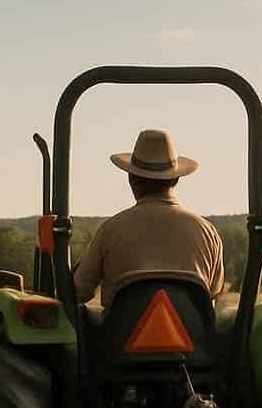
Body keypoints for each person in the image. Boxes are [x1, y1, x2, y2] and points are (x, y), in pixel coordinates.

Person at [72, 129, 226, 307]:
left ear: (131, 178)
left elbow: (79, 291)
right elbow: (214, 292)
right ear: (176, 180)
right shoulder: (207, 232)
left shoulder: (111, 229)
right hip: (190, 334)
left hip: (123, 333)